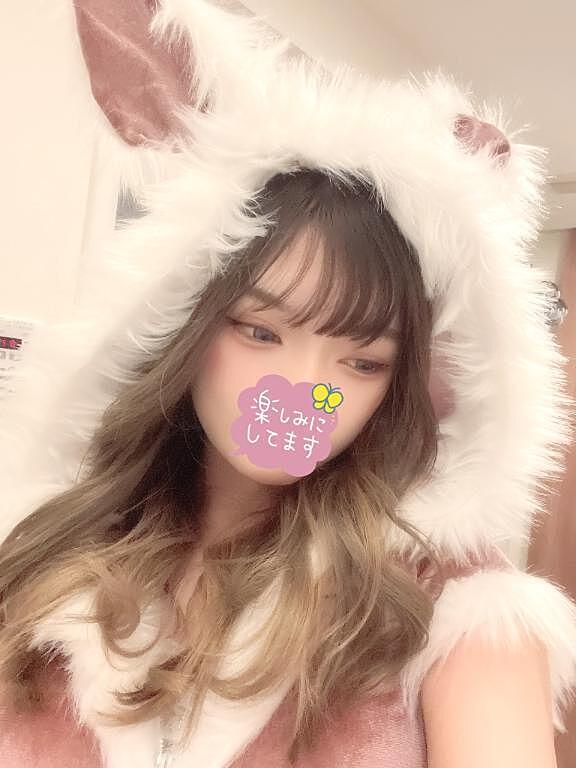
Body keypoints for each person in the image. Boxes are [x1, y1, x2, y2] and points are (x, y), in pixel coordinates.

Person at [1, 2, 576, 767]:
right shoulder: (47, 543)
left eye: (362, 362)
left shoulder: (451, 608)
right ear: (184, 326)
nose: (304, 391)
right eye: (261, 332)